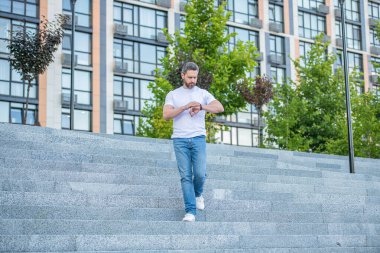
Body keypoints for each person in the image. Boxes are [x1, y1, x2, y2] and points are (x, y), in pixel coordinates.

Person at [163, 62, 224, 222]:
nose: (192, 80)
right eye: (190, 77)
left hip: (198, 138)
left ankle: (198, 194)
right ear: (182, 75)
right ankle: (190, 211)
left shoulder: (203, 93)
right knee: (185, 176)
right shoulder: (173, 94)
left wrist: (201, 106)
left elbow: (219, 107)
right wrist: (184, 107)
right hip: (180, 140)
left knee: (200, 174)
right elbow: (167, 114)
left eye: (195, 77)